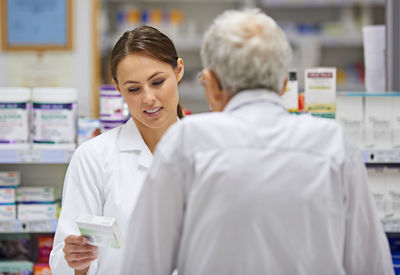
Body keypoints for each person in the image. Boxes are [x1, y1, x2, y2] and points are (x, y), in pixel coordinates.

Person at [127, 9, 394, 275]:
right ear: (282, 84)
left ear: (214, 85)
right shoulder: (331, 144)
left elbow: (143, 264)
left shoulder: (187, 142)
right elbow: (371, 265)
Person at [49, 25, 185, 274]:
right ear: (118, 88)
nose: (148, 98)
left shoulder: (208, 152)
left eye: (157, 82)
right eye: (133, 89)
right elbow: (63, 262)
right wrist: (77, 261)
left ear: (178, 70)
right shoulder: (93, 157)